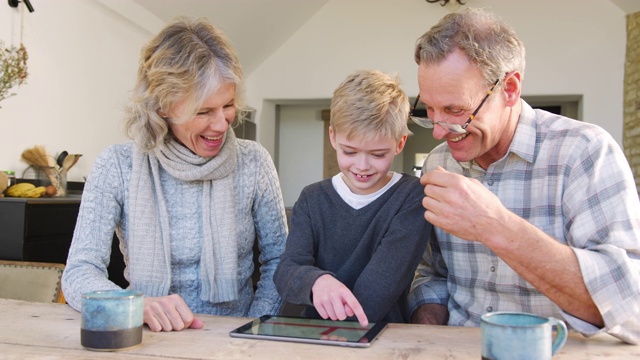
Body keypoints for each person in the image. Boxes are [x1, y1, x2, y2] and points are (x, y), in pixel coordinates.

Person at [408, 8, 640, 344]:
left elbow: (630, 305)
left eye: (456, 111)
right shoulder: (437, 164)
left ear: (510, 88)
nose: (439, 132)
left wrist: (494, 225)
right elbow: (432, 273)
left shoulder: (584, 153)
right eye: (429, 110)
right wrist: (426, 324)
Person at [61, 17, 287, 332]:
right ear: (164, 107)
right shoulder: (117, 165)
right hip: (148, 338)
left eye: (229, 105)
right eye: (204, 111)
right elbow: (79, 273)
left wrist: (253, 326)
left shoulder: (254, 162)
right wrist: (134, 306)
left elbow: (280, 262)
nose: (222, 124)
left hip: (236, 339)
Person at [274, 70, 431, 326]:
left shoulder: (411, 198)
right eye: (350, 151)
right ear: (333, 136)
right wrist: (316, 281)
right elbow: (287, 270)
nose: (362, 166)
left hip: (380, 334)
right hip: (312, 334)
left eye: (378, 154)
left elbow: (378, 289)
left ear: (400, 143)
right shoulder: (312, 199)